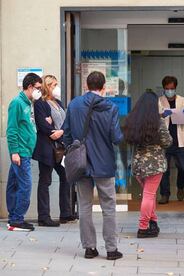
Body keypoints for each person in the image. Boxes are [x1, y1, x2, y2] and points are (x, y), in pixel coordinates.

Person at [62, 71, 123, 260]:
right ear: (104, 87)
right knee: (108, 207)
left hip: (81, 163)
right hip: (104, 163)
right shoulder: (110, 107)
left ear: (86, 86)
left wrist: (72, 149)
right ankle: (111, 250)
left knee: (85, 205)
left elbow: (66, 133)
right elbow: (116, 138)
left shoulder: (74, 104)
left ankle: (89, 248)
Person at [124, 91, 172, 238]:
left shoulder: (133, 120)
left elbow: (129, 139)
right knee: (149, 195)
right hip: (154, 164)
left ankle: (153, 221)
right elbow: (167, 141)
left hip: (138, 164)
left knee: (148, 195)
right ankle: (143, 227)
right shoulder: (158, 121)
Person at [32, 75, 75, 227]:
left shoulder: (58, 102)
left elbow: (66, 122)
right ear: (47, 86)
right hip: (47, 148)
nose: (57, 87)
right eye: (54, 84)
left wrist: (60, 131)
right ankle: (44, 217)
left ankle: (66, 213)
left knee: (66, 177)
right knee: (45, 180)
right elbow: (43, 125)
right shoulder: (40, 104)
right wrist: (52, 129)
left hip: (60, 147)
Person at [6, 73, 42, 231]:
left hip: (25, 150)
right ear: (30, 87)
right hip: (20, 152)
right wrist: (14, 151)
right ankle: (17, 219)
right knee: (25, 186)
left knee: (14, 184)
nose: (40, 91)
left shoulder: (28, 102)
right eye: (38, 88)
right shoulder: (17, 103)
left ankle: (13, 217)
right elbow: (12, 129)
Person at [158, 76, 184, 204]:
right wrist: (161, 115)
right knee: (164, 169)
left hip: (179, 141)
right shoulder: (159, 101)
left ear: (175, 88)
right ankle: (165, 194)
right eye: (167, 89)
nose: (169, 91)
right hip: (164, 141)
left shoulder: (182, 100)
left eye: (172, 88)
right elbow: (152, 119)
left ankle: (180, 187)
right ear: (164, 88)